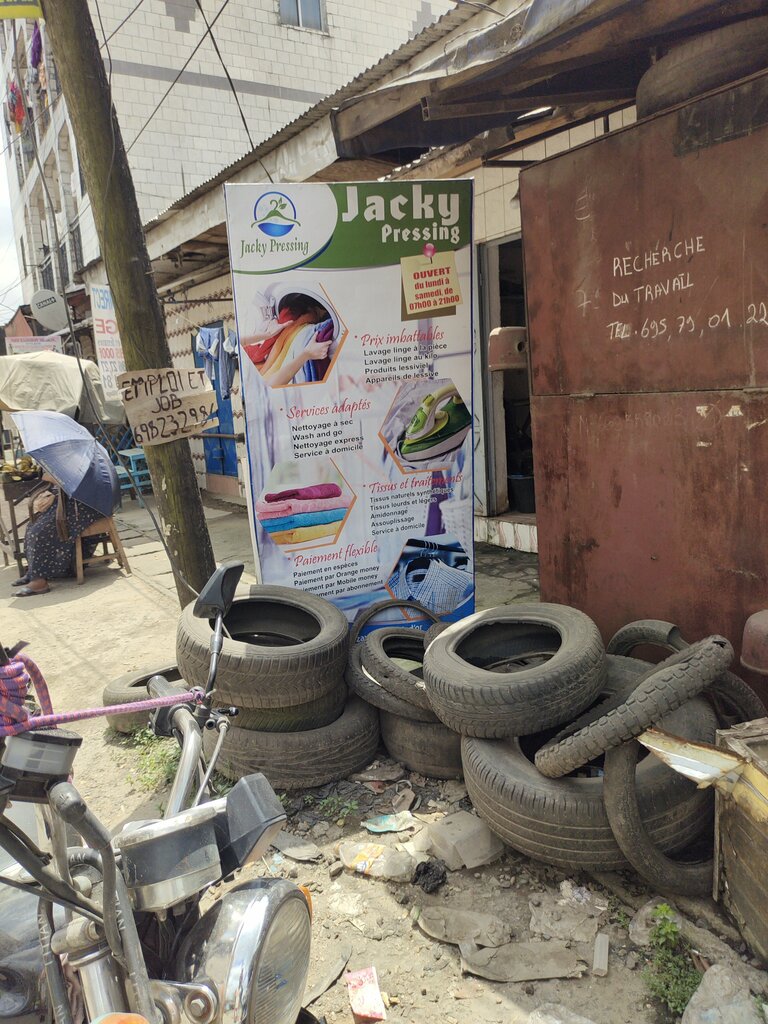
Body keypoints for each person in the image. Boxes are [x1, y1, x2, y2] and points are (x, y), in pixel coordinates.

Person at [12, 477, 103, 597]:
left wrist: (56, 480)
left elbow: (77, 485)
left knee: (41, 532)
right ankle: (33, 572)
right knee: (32, 525)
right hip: (68, 503)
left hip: (84, 507)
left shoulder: (84, 465)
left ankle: (39, 581)